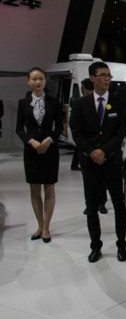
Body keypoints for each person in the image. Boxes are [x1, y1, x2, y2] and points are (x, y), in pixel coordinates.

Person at [70, 61, 126, 263]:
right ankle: (96, 246)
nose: (107, 79)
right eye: (103, 75)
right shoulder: (81, 104)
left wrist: (105, 151)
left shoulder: (119, 103)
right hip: (90, 164)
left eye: (109, 76)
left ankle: (122, 245)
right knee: (92, 207)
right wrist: (91, 152)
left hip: (112, 162)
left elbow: (121, 132)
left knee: (119, 205)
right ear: (92, 78)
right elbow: (76, 132)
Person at [15, 67, 63, 243]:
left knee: (49, 188)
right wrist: (31, 141)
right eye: (34, 79)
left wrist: (49, 140)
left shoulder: (54, 102)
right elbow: (19, 128)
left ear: (45, 80)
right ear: (28, 81)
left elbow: (59, 126)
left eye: (41, 78)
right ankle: (39, 225)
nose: (38, 82)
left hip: (50, 150)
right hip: (31, 151)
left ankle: (46, 228)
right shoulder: (23, 103)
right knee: (34, 189)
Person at [77, 79, 108, 214]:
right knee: (88, 180)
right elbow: (77, 130)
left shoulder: (104, 102)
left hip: (102, 148)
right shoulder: (79, 104)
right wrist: (88, 150)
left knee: (102, 178)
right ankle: (90, 204)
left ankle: (101, 203)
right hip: (86, 149)